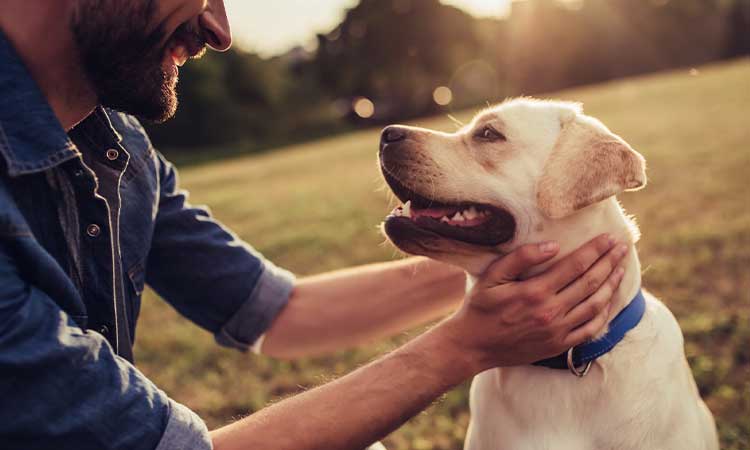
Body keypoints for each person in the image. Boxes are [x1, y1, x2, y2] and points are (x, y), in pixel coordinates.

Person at [0, 1, 628, 449]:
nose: (219, 28)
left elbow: (281, 312)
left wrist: (523, 260)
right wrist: (465, 344)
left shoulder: (119, 150)